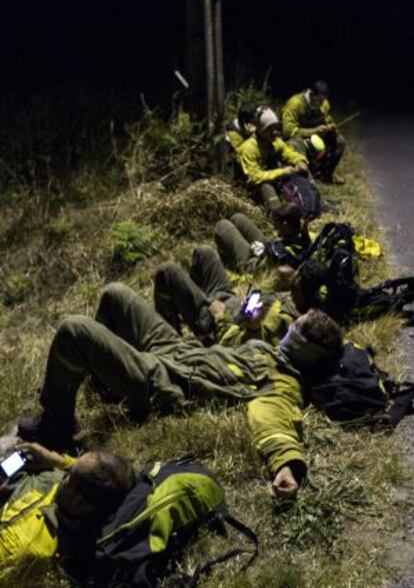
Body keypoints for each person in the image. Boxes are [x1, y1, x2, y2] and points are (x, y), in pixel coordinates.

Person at [17, 283, 343, 497]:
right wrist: (243, 311)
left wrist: (286, 466)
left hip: (164, 380)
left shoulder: (282, 383)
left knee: (73, 329)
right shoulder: (273, 351)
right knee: (115, 294)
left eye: (295, 329)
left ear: (304, 349)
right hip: (176, 350)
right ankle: (107, 382)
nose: (290, 327)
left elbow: (272, 423)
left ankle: (57, 424)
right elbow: (252, 315)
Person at [0, 443, 134, 581]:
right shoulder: (79, 494)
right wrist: (52, 458)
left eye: (70, 475)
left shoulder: (30, 544)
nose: (64, 472)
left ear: (80, 502)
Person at [154, 244, 297, 347]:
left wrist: (220, 317)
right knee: (204, 252)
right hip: (233, 302)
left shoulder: (287, 334)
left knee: (167, 272)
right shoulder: (296, 309)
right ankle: (194, 310)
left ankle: (171, 343)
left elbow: (238, 345)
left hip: (220, 325)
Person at [214, 205, 311, 287]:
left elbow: (278, 259)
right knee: (238, 218)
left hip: (258, 267)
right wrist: (267, 248)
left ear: (285, 225)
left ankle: (230, 267)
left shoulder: (284, 253)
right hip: (269, 253)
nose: (274, 228)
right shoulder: (302, 235)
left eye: (277, 225)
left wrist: (265, 252)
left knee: (222, 225)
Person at [237, 106, 308, 213]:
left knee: (301, 171)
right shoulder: (249, 148)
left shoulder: (274, 141)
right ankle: (278, 215)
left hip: (273, 178)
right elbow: (254, 177)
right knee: (266, 186)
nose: (275, 132)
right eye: (270, 129)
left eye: (276, 128)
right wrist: (282, 172)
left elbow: (288, 152)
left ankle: (312, 203)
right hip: (252, 189)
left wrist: (299, 161)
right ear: (260, 129)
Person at [281, 80, 345, 182]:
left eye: (324, 100)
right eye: (320, 100)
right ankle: (306, 177)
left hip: (316, 136)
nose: (322, 103)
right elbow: (287, 131)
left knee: (339, 141)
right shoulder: (295, 104)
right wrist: (313, 131)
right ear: (312, 95)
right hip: (299, 138)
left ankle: (325, 174)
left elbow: (327, 119)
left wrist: (331, 127)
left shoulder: (324, 104)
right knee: (296, 143)